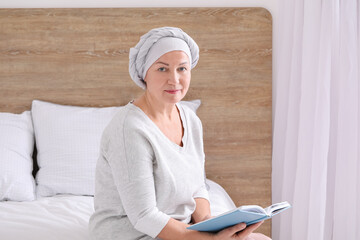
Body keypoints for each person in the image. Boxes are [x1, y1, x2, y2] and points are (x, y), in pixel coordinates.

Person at [89, 27, 271, 240]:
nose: (174, 80)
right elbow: (144, 216)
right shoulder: (129, 129)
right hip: (133, 234)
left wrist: (209, 225)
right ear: (144, 73)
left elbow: (197, 188)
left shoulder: (190, 119)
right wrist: (208, 239)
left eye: (182, 69)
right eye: (162, 69)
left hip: (182, 229)